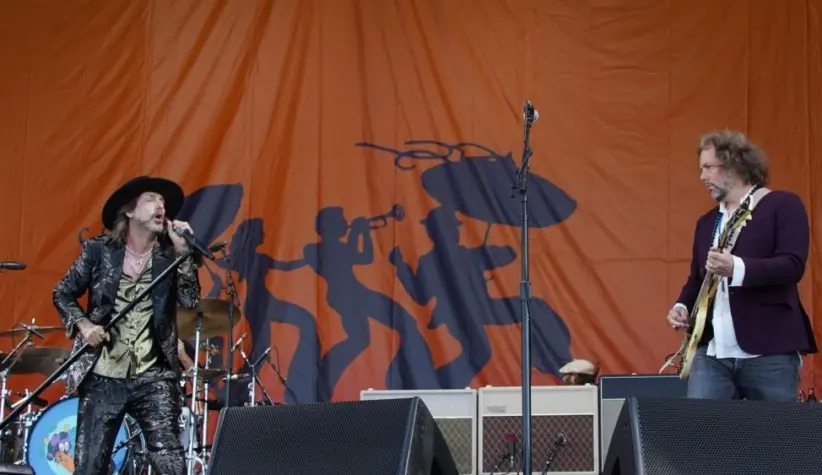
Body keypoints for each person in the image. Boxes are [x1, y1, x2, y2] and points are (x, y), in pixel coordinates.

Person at [53, 176, 201, 474]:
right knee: (90, 465)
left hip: (154, 375)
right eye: (151, 199)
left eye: (163, 202)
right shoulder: (99, 250)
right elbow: (63, 293)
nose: (161, 205)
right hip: (103, 375)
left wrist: (184, 252)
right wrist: (83, 325)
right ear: (130, 212)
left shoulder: (171, 253)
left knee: (169, 460)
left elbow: (190, 300)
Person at [666, 130, 817, 401]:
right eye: (701, 169)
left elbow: (792, 265)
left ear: (735, 164)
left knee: (776, 439)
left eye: (709, 167)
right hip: (712, 354)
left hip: (770, 351)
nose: (702, 177)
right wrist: (682, 306)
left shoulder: (782, 205)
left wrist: (736, 268)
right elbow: (698, 278)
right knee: (703, 438)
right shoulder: (705, 223)